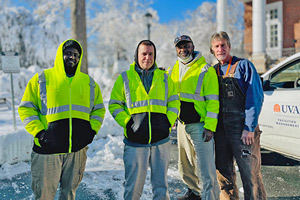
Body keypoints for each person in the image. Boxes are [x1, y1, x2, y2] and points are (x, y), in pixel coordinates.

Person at [18, 39, 105, 200]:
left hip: (76, 151)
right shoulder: (42, 78)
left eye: (76, 55)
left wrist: (92, 130)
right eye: (68, 53)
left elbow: (98, 109)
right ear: (60, 55)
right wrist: (39, 132)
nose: (72, 57)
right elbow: (26, 108)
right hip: (47, 151)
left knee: (69, 194)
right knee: (44, 195)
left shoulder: (89, 83)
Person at [109, 40, 180, 200]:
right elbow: (114, 105)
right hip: (135, 142)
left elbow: (174, 101)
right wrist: (128, 123)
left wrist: (168, 122)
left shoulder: (164, 78)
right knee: (133, 188)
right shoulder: (125, 78)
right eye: (144, 54)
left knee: (161, 187)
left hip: (161, 141)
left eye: (151, 54)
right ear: (137, 55)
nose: (147, 57)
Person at [210, 31, 267, 200]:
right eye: (217, 46)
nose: (220, 49)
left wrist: (249, 128)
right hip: (221, 132)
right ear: (212, 50)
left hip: (243, 131)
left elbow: (255, 97)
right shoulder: (212, 72)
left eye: (223, 45)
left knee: (250, 174)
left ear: (229, 47)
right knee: (224, 174)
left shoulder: (244, 66)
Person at [169, 35, 220, 200]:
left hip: (201, 127)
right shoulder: (173, 70)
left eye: (187, 46)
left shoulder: (206, 70)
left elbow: (213, 101)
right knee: (185, 166)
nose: (183, 49)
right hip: (182, 126)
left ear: (193, 46)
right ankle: (194, 193)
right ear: (176, 49)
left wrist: (210, 127)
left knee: (207, 170)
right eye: (180, 46)